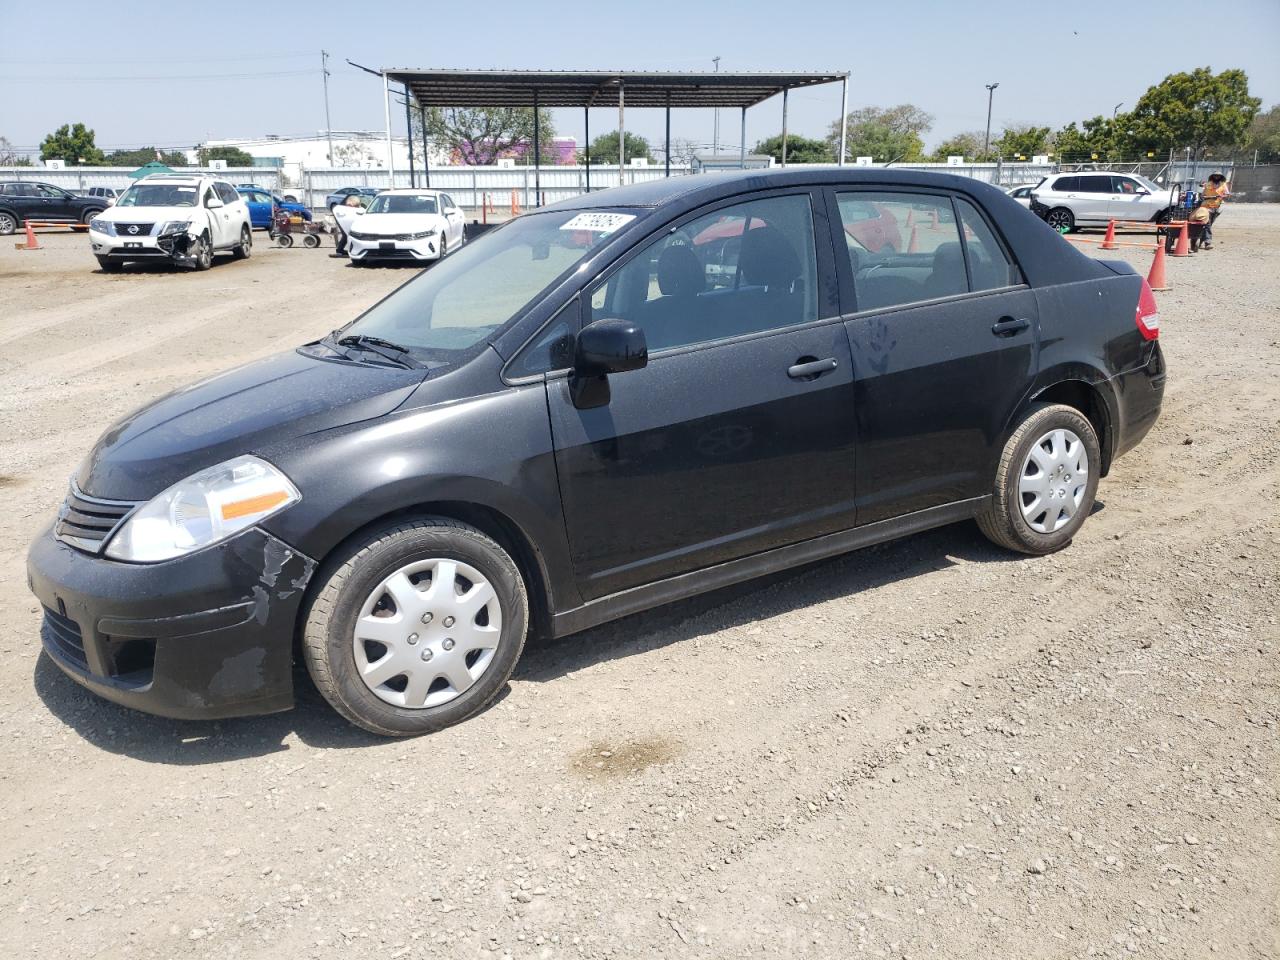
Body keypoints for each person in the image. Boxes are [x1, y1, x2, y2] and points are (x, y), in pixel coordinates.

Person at [330, 194, 365, 258]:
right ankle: (340, 250)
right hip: (342, 218)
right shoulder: (345, 206)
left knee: (347, 234)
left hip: (346, 218)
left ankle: (341, 250)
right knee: (346, 234)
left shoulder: (357, 203)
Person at [1200, 173, 1229, 248]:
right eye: (1215, 176)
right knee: (1207, 224)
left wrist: (1221, 196)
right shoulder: (1207, 185)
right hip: (1206, 206)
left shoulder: (1223, 185)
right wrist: (1210, 197)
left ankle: (1200, 241)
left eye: (1218, 176)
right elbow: (1202, 195)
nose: (1216, 177)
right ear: (1212, 177)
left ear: (1221, 177)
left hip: (1217, 207)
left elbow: (1227, 194)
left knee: (1208, 225)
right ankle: (1208, 242)